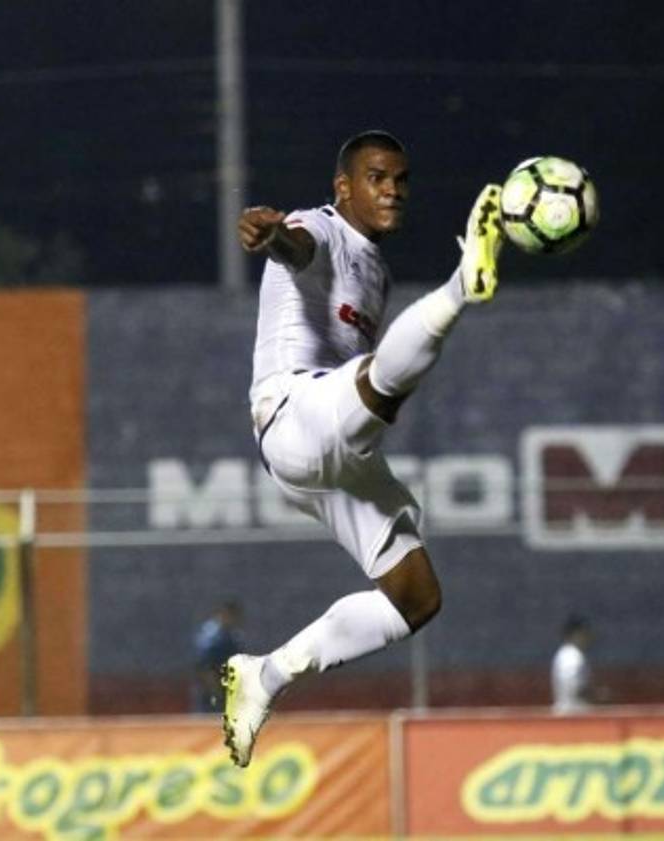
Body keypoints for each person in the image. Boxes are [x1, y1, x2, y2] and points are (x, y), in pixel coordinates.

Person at [220, 130, 504, 766]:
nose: (392, 191)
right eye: (377, 178)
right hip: (292, 413)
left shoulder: (377, 269)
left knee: (417, 598)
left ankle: (266, 674)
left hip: (335, 449)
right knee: (376, 385)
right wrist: (271, 233)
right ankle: (462, 285)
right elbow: (294, 246)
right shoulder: (319, 227)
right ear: (343, 188)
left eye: (401, 180)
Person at [193, 600, 244, 713]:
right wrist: (213, 687)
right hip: (210, 687)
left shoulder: (233, 634)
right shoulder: (211, 635)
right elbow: (204, 664)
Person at [551, 615, 593, 714]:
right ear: (576, 634)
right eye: (585, 633)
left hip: (566, 712)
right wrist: (598, 695)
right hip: (574, 713)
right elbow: (574, 687)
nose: (588, 637)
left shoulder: (565, 654)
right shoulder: (573, 656)